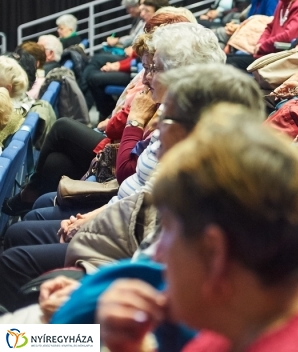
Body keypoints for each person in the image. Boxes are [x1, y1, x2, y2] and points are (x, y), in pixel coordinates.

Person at [94, 104, 298, 352]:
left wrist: (60, 330)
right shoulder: (251, 320)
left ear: (214, 252)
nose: (158, 255)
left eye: (167, 232)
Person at [0, 25, 230, 311]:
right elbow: (139, 195)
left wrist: (92, 279)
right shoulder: (174, 118)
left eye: (154, 68)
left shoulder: (191, 138)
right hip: (123, 220)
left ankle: (32, 339)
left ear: (182, 76)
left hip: (128, 239)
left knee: (14, 256)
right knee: (31, 219)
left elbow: (145, 213)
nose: (145, 77)